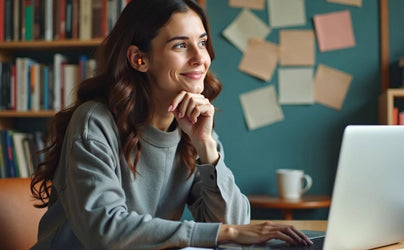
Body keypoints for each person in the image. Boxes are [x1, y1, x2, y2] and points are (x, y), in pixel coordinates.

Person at [30, 0, 313, 249]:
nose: (201, 58)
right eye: (180, 45)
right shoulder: (95, 121)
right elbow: (104, 232)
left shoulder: (194, 126)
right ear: (139, 59)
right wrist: (225, 233)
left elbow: (235, 225)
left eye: (202, 42)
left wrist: (206, 148)